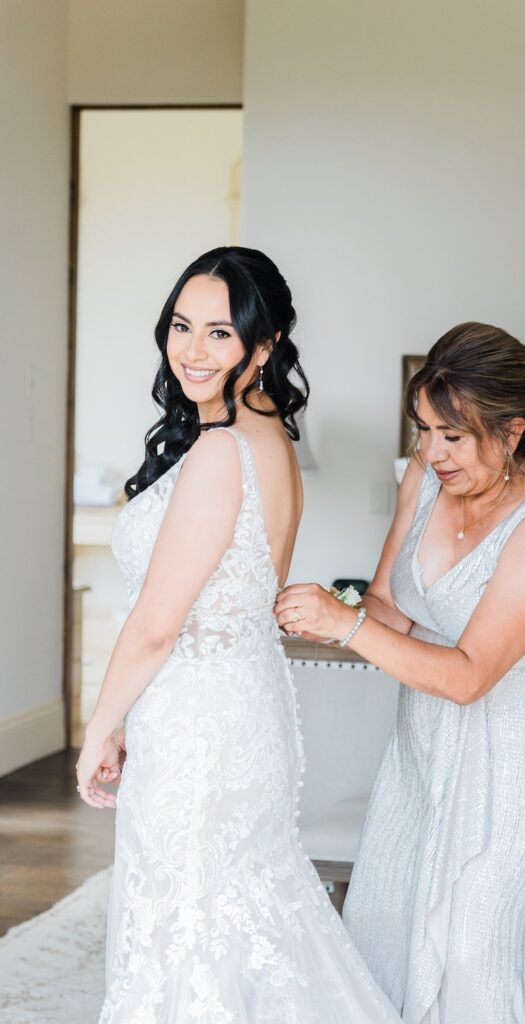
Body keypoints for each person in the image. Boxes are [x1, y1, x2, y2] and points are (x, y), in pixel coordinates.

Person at [76, 246, 401, 1024]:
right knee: (235, 911)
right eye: (182, 326)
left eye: (220, 334)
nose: (192, 350)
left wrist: (98, 728)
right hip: (239, 706)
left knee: (187, 924)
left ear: (266, 343)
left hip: (197, 725)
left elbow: (157, 625)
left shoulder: (221, 452)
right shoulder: (269, 443)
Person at [276, 322, 525, 1024]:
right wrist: (321, 612)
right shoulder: (426, 475)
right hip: (422, 743)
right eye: (421, 428)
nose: (429, 452)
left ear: (512, 431)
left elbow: (468, 676)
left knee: (473, 952)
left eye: (452, 436)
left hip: (512, 755)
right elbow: (389, 604)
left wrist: (346, 625)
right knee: (388, 927)